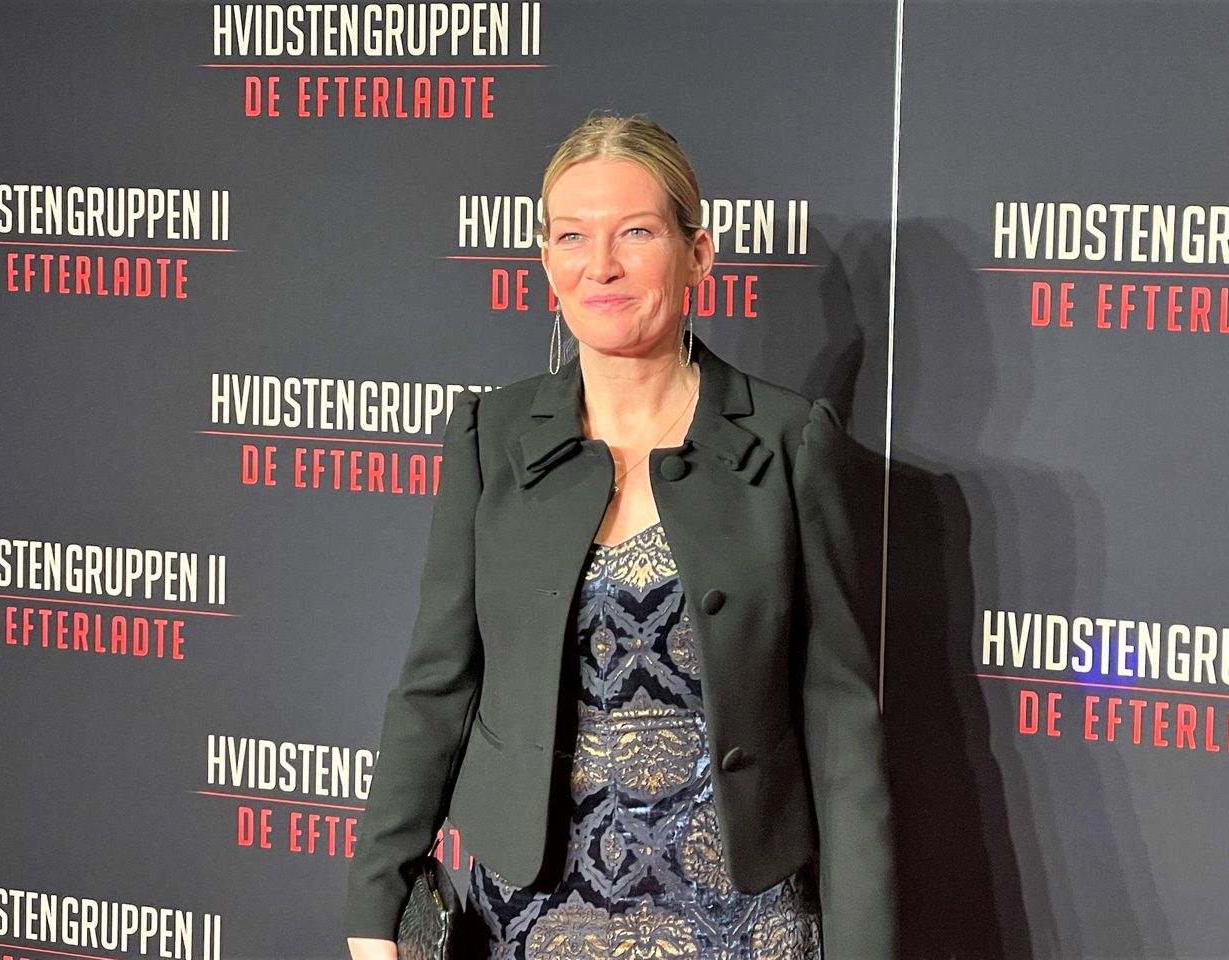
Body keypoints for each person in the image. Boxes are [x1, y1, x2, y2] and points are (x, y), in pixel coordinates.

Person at [345, 114, 895, 959]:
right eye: (572, 236)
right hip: (532, 923)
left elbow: (839, 724)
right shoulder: (490, 438)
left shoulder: (790, 443)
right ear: (546, 263)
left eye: (635, 232)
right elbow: (436, 687)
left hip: (743, 928)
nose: (600, 265)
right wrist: (376, 906)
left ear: (697, 254)